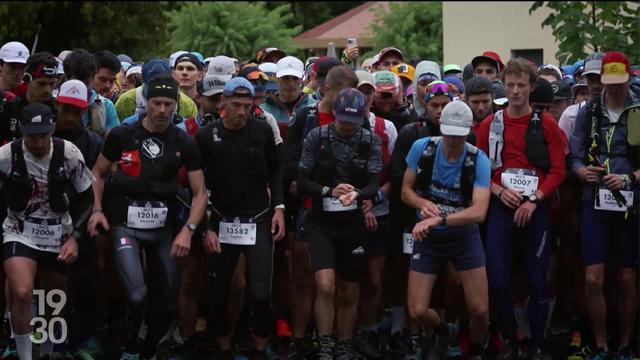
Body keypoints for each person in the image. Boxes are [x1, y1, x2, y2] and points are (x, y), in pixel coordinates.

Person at [87, 74, 207, 360]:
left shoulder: (184, 141)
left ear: (176, 104)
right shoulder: (122, 136)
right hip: (125, 222)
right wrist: (97, 209)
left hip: (165, 226)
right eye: (157, 103)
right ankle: (128, 344)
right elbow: (97, 173)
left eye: (168, 104)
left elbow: (200, 192)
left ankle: (148, 350)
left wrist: (188, 230)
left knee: (167, 302)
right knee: (137, 295)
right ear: (146, 103)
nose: (163, 110)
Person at [475, 58, 567, 359]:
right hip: (502, 206)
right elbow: (479, 168)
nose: (515, 92)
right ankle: (511, 339)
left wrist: (536, 199)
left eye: (521, 86)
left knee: (537, 280)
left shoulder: (547, 124)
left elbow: (558, 170)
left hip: (535, 209)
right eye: (510, 85)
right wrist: (499, 190)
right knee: (498, 279)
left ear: (531, 87)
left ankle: (538, 344)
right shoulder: (491, 123)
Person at [195, 77, 285, 359]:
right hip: (222, 218)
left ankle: (259, 347)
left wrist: (279, 208)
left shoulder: (261, 131)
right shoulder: (206, 136)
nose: (242, 111)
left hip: (257, 218)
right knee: (219, 293)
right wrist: (205, 227)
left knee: (260, 294)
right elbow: (198, 186)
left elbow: (276, 171)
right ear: (223, 103)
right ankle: (223, 348)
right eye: (236, 105)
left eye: (248, 105)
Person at [0, 103, 95, 360]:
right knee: (22, 291)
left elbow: (87, 197)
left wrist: (75, 238)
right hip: (19, 229)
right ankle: (24, 355)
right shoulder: (7, 156)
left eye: (43, 135)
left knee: (54, 299)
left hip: (58, 231)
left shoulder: (69, 153)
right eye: (32, 136)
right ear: (22, 132)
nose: (39, 142)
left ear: (52, 128)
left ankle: (48, 352)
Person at [401, 101, 491, 360]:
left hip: (463, 236)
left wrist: (438, 219)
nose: (452, 140)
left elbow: (479, 212)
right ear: (441, 128)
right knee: (417, 311)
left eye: (458, 135)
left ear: (468, 132)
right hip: (427, 236)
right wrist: (422, 203)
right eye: (448, 133)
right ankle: (442, 329)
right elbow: (406, 190)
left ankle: (475, 350)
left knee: (480, 309)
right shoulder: (423, 148)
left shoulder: (477, 159)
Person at [298, 88, 382, 360]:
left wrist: (358, 194)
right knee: (324, 285)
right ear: (334, 114)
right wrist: (327, 191)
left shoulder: (371, 140)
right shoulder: (317, 136)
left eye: (353, 122)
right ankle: (324, 343)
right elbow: (302, 181)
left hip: (353, 222)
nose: (348, 127)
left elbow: (373, 184)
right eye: (343, 120)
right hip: (322, 221)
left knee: (348, 289)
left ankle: (345, 344)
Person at [284, 65, 360, 359]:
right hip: (310, 205)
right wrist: (306, 180)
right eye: (342, 95)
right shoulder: (307, 116)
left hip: (346, 210)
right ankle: (300, 338)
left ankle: (339, 341)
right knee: (306, 276)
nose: (346, 103)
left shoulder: (356, 118)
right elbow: (289, 160)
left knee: (343, 283)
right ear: (326, 90)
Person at [568, 51, 640, 360]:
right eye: (608, 83)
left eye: (619, 83)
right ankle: (600, 344)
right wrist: (581, 171)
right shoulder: (590, 111)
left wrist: (630, 178)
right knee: (592, 278)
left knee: (626, 278)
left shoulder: (638, 111)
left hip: (629, 201)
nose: (613, 89)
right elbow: (573, 156)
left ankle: (625, 344)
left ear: (629, 79)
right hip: (594, 200)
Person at [352, 71, 398, 359]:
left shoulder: (387, 127)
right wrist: (358, 202)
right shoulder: (337, 126)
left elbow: (395, 173)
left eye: (369, 92)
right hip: (347, 213)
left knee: (374, 280)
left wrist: (375, 197)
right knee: (350, 279)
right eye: (361, 91)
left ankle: (367, 331)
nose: (366, 97)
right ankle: (349, 333)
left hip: (380, 211)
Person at [0, 52, 59, 145]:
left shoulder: (57, 110)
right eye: (41, 84)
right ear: (27, 79)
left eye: (51, 84)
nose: (47, 90)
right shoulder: (9, 108)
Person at [115, 58, 198, 121]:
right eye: (153, 84)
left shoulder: (186, 104)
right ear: (142, 80)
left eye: (168, 104)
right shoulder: (126, 101)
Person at [62, 49, 121, 137]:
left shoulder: (107, 105)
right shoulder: (55, 99)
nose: (107, 86)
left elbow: (113, 142)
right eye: (102, 79)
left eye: (112, 81)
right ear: (91, 75)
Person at [260, 56, 312, 140]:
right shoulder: (263, 110)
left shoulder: (313, 106)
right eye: (285, 78)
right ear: (277, 78)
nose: (290, 84)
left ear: (302, 79)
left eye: (295, 78)